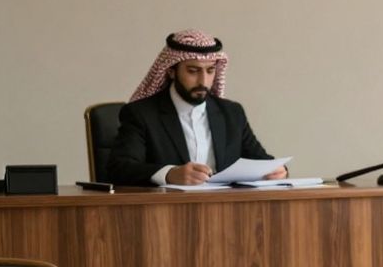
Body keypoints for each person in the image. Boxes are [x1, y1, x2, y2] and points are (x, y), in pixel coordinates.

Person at [107, 29, 286, 186]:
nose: (203, 81)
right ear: (171, 71)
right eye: (193, 71)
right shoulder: (141, 114)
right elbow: (120, 168)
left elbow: (261, 160)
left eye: (210, 71)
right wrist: (169, 174)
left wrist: (278, 170)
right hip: (166, 214)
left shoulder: (231, 113)